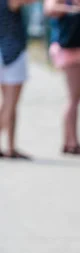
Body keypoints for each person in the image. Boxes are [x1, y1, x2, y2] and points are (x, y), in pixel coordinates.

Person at [44, 0, 80, 155]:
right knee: (73, 98)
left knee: (75, 98)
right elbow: (50, 9)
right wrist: (74, 9)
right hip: (71, 48)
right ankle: (71, 142)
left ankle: (71, 141)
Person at [0, 0, 36, 160]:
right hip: (11, 54)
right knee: (10, 104)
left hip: (6, 52)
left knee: (10, 105)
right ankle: (10, 147)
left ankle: (11, 147)